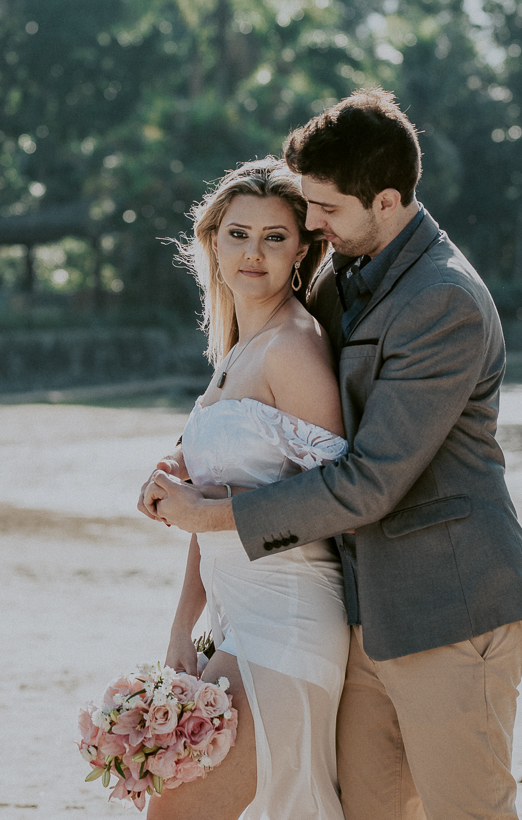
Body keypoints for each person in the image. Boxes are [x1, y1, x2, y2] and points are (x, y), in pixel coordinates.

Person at [142, 88, 522, 820]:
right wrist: (188, 455)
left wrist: (210, 512)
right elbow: (270, 405)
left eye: (323, 209)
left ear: (386, 201)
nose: (313, 224)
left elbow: (370, 480)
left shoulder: (443, 299)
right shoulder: (343, 275)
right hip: (360, 612)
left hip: (449, 604)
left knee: (468, 812)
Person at [142, 157, 349, 820]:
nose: (252, 253)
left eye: (274, 237)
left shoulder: (294, 346)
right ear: (213, 243)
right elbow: (206, 519)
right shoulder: (234, 355)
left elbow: (338, 496)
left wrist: (202, 506)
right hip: (233, 623)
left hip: (288, 619)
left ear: (301, 253)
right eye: (237, 234)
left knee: (176, 811)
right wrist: (182, 629)